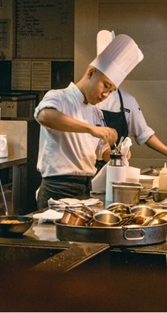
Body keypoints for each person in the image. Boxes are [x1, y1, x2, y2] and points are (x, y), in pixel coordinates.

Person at [35, 34, 143, 209]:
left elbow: (101, 151)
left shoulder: (95, 112)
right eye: (105, 85)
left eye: (111, 91)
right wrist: (90, 129)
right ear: (91, 73)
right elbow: (45, 116)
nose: (105, 94)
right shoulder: (59, 96)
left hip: (86, 189)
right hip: (58, 188)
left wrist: (117, 155)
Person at [95, 30, 167, 165]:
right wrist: (110, 155)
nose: (104, 94)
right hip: (88, 170)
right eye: (104, 82)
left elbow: (144, 133)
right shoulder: (84, 101)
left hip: (118, 169)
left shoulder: (128, 101)